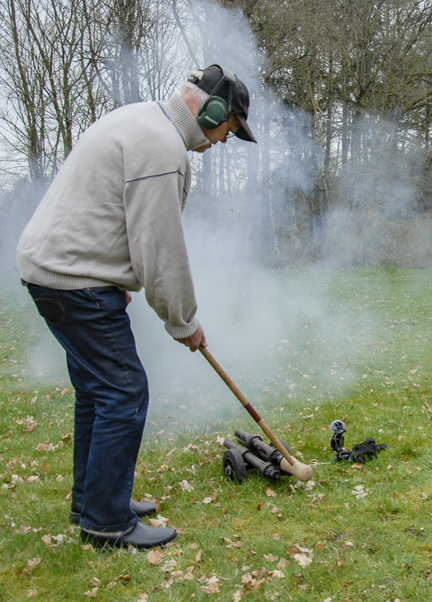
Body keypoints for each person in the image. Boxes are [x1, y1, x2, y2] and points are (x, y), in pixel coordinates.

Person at [15, 64, 257, 549]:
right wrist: (183, 321)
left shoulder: (145, 121)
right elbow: (160, 247)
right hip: (70, 280)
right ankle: (105, 523)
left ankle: (92, 500)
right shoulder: (160, 147)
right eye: (228, 130)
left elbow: (110, 215)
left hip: (60, 273)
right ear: (212, 110)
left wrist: (110, 276)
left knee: (98, 391)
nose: (223, 143)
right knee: (124, 393)